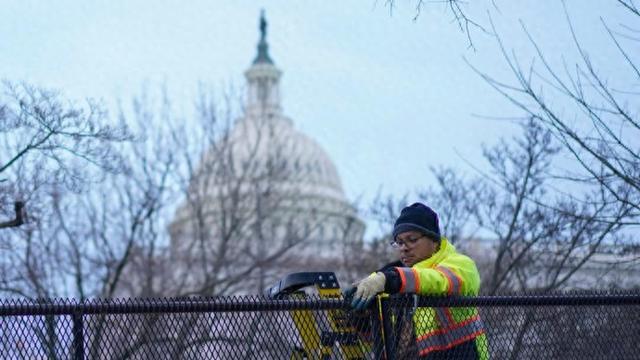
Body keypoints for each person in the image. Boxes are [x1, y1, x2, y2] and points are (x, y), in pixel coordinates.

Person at [348, 202, 489, 359]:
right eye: (399, 242)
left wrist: (393, 279)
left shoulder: (461, 264)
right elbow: (380, 341)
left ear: (434, 240)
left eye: (412, 239)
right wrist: (360, 317)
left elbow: (436, 280)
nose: (404, 248)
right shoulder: (395, 279)